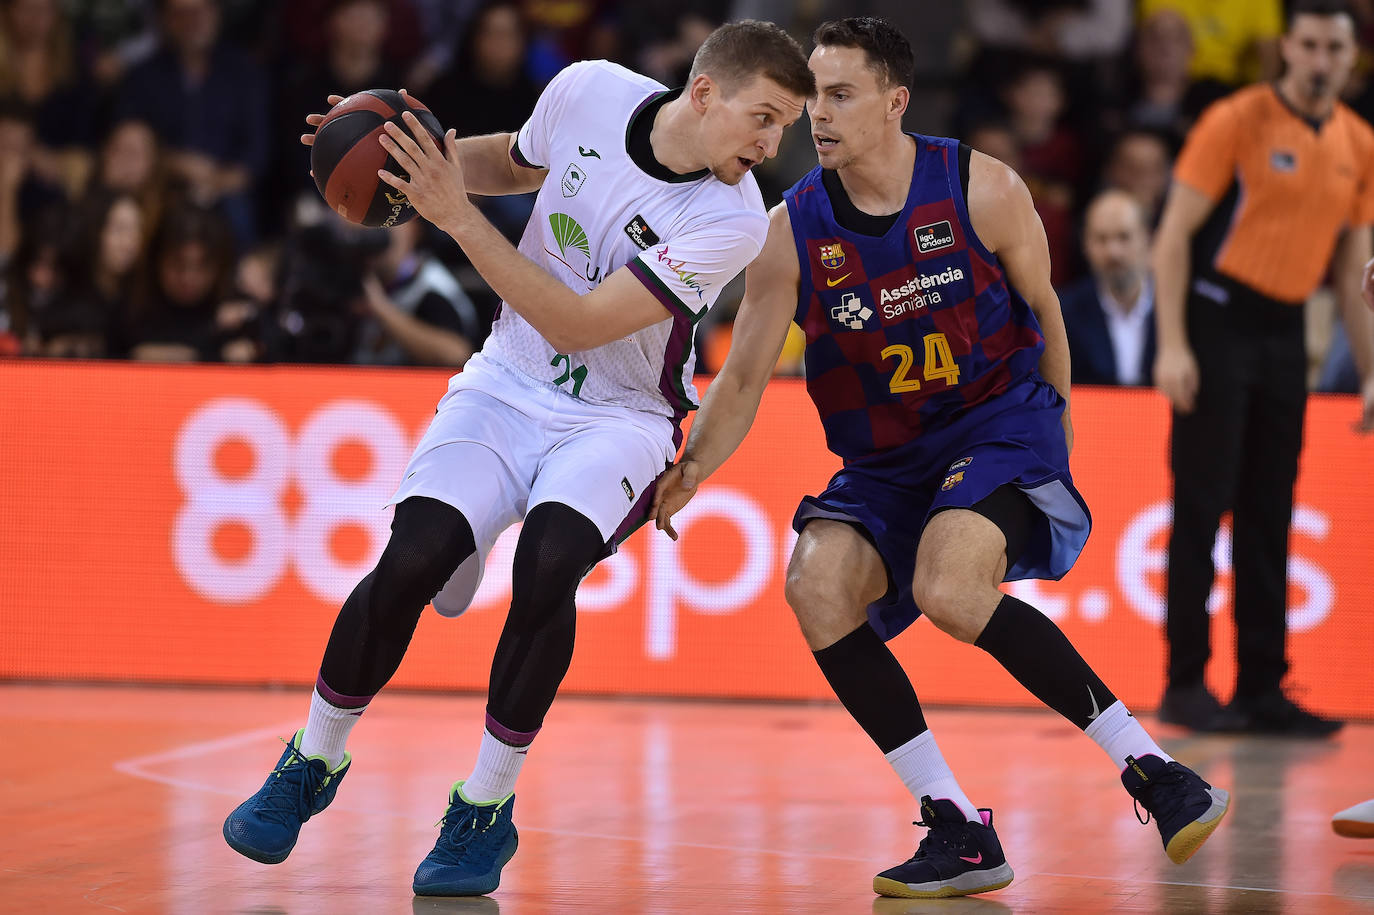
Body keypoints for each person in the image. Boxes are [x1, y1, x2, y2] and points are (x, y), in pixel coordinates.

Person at [221, 19, 814, 896]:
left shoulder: (731, 220)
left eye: (785, 129)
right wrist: (394, 149)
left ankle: (483, 807)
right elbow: (507, 163)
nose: (771, 145)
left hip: (620, 417)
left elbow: (578, 323)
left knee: (549, 563)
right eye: (764, 118)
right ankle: (311, 759)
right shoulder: (588, 90)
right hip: (507, 381)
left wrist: (455, 220)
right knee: (411, 559)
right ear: (704, 94)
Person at [651, 17, 1229, 901]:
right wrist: (691, 469)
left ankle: (1154, 770)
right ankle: (956, 825)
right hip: (887, 461)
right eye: (815, 99)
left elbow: (1047, 312)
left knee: (949, 588)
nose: (820, 118)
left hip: (995, 423)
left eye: (842, 96)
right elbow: (742, 378)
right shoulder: (789, 230)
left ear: (896, 102)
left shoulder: (982, 186)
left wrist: (1058, 433)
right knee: (814, 586)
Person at [1152, 0, 1374, 736]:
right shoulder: (1238, 119)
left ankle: (1262, 686)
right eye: (1307, 44)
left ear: (1351, 58)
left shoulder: (1358, 142)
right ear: (1286, 47)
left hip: (1285, 330)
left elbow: (1353, 276)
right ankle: (1184, 682)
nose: (1319, 60)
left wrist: (1370, 371)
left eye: (1332, 49)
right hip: (1218, 318)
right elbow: (1174, 236)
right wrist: (1174, 343)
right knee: (1200, 504)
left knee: (1270, 514)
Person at [1059, 189, 1156, 386]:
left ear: (1146, 238)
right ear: (1085, 244)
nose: (1113, 252)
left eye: (1124, 237)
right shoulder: (1064, 312)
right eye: (1101, 239)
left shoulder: (1177, 308)